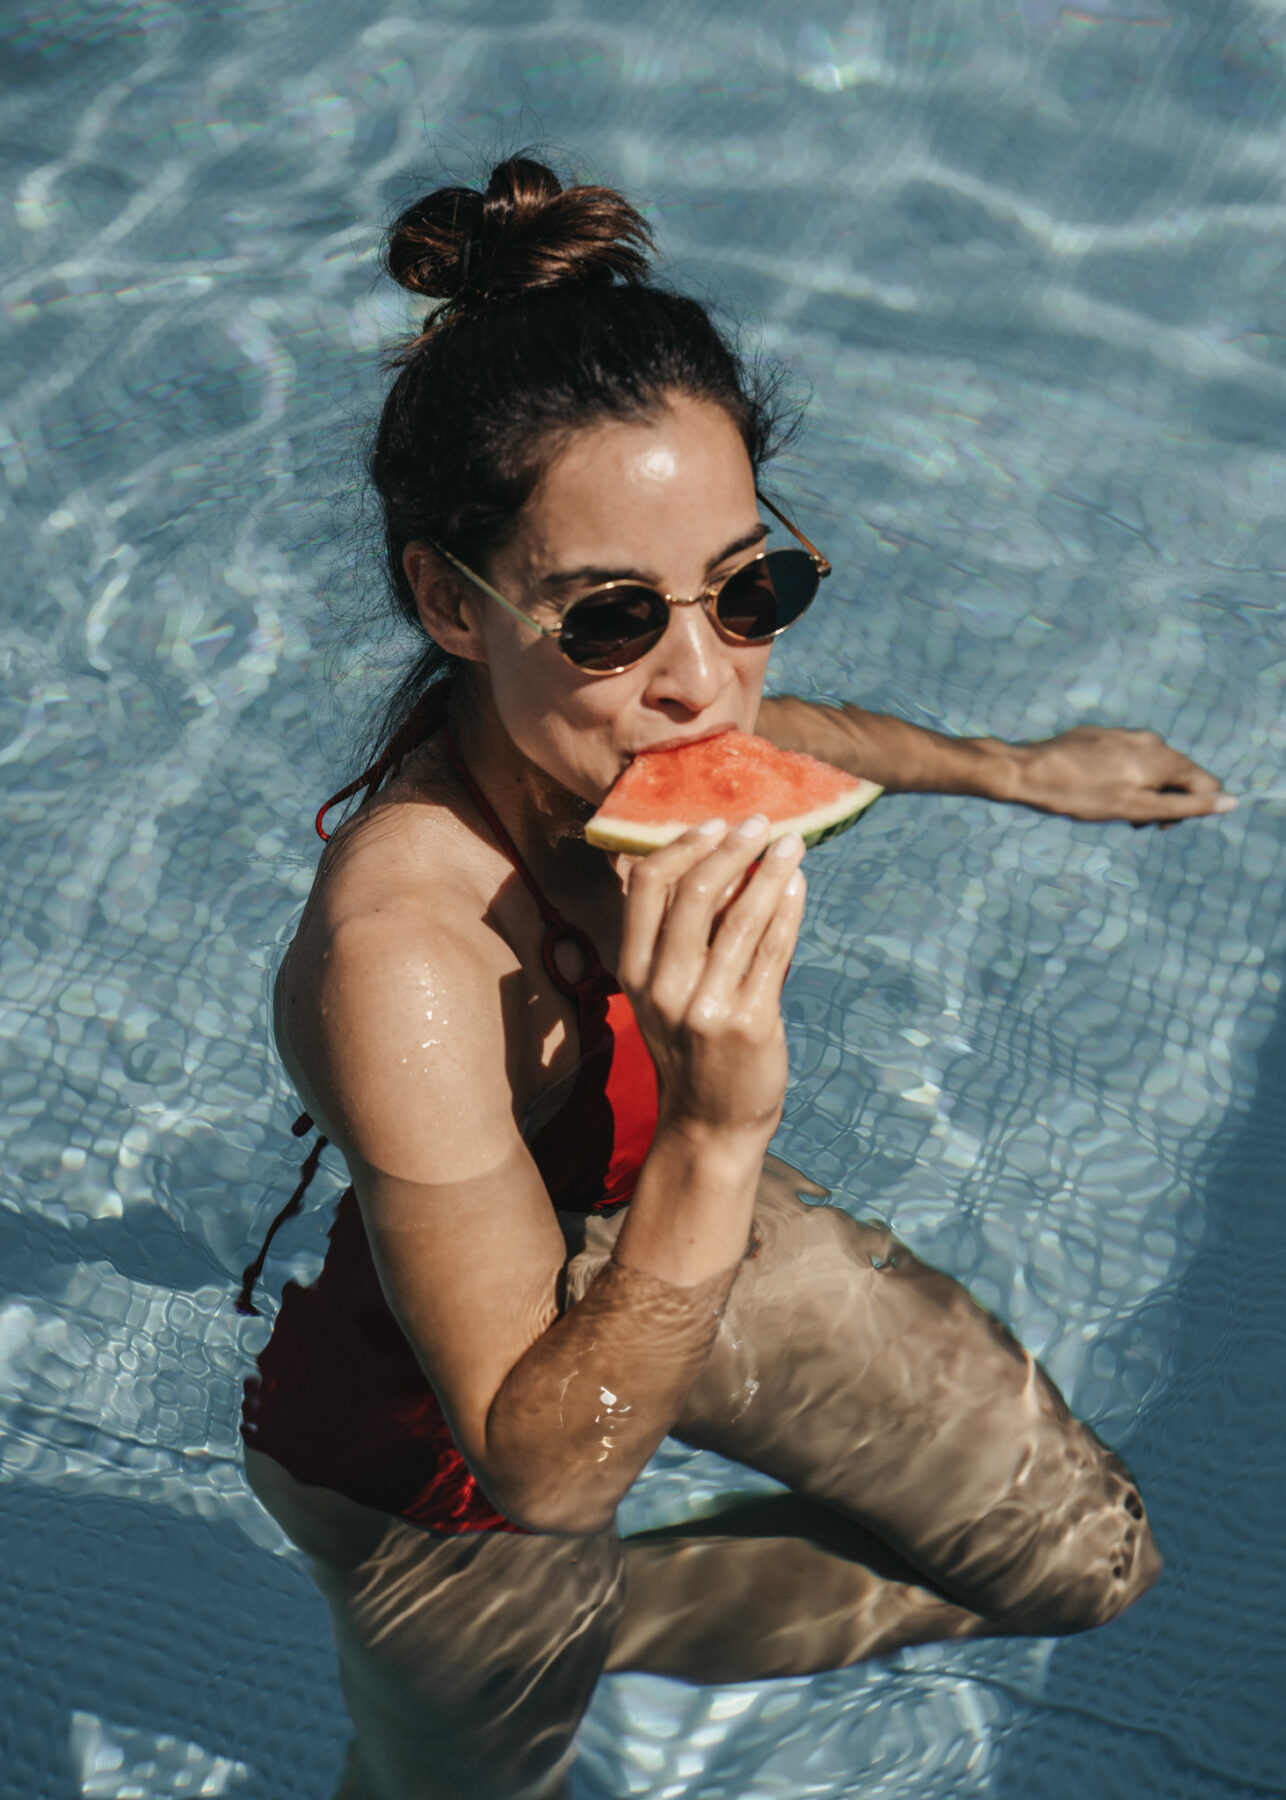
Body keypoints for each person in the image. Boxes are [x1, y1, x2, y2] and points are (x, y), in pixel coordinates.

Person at [238, 156, 1229, 1800]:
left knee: (1080, 1564)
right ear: (446, 600)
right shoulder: (401, 960)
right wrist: (715, 1122)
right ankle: (497, 1642)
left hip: (669, 1223)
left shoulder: (646, 704)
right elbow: (543, 1464)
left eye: (746, 587)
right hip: (449, 1468)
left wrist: (1014, 766)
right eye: (614, 615)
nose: (705, 681)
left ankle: (606, 1621)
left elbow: (792, 738)